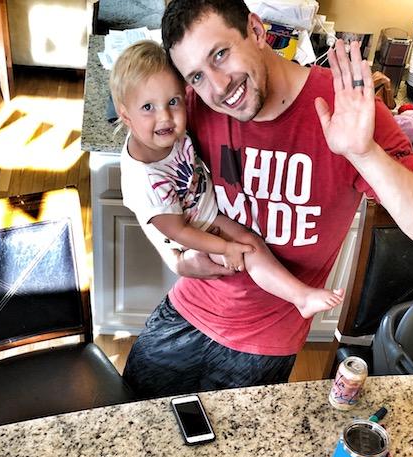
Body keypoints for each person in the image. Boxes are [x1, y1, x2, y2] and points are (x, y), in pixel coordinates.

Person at [121, 0, 413, 398]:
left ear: (257, 30)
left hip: (265, 341)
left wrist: (363, 153)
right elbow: (150, 189)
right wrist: (176, 259)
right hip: (187, 309)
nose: (217, 86)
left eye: (220, 54)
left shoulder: (342, 111)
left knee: (227, 454)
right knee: (129, 415)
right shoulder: (193, 107)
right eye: (196, 75)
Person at [110, 41, 345, 320]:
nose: (165, 117)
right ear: (125, 116)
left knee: (249, 244)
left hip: (203, 212)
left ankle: (298, 294)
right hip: (195, 232)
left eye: (173, 102)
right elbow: (177, 232)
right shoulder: (146, 180)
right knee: (248, 247)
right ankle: (300, 296)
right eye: (148, 107)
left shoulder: (166, 133)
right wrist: (224, 247)